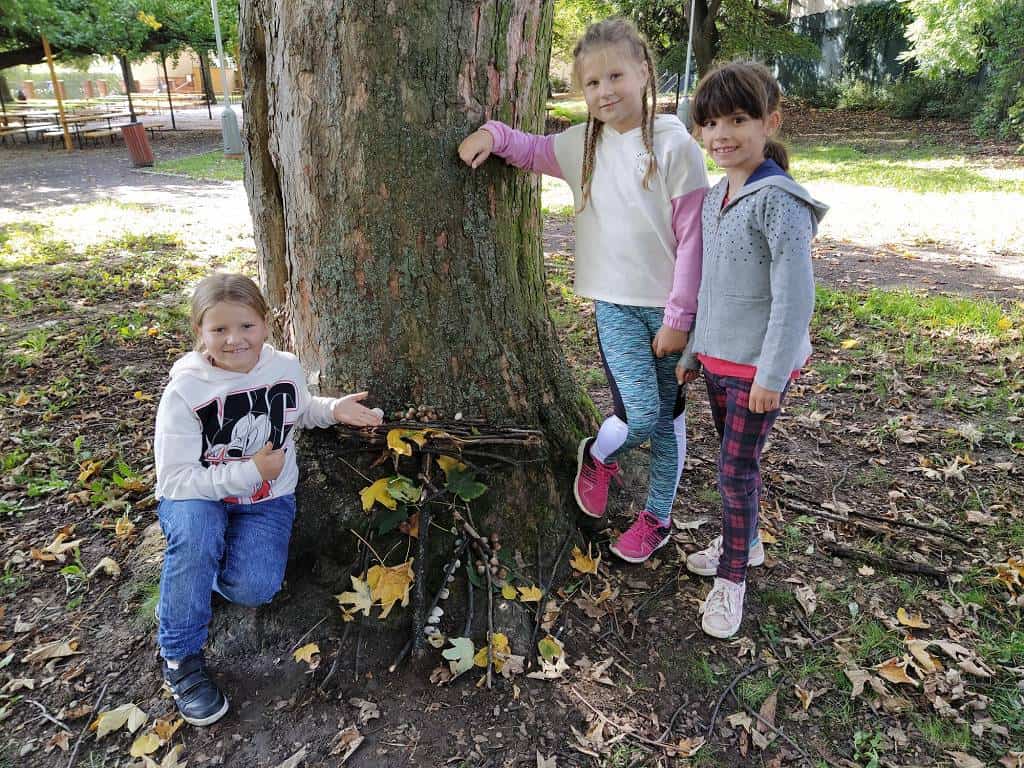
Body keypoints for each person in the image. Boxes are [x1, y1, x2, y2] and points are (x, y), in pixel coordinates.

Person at [458, 18, 708, 563]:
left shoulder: (675, 146)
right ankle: (597, 454)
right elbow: (527, 149)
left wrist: (681, 317)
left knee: (668, 423)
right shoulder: (580, 145)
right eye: (592, 83)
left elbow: (694, 238)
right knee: (640, 415)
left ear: (644, 71)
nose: (604, 91)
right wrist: (490, 135)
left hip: (670, 313)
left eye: (616, 75)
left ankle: (657, 518)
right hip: (614, 307)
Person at [153, 273, 382, 725]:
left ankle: (192, 580)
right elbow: (175, 481)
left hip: (265, 499)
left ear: (266, 324)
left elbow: (296, 410)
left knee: (254, 587)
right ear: (200, 332)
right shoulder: (185, 390)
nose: (234, 340)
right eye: (219, 330)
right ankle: (180, 656)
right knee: (197, 536)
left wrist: (333, 409)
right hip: (198, 499)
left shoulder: (284, 368)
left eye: (246, 327)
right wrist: (248, 472)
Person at [677, 62, 828, 639]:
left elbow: (794, 300)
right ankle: (750, 540)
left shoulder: (780, 203)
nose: (722, 134)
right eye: (711, 122)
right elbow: (713, 287)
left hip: (756, 374)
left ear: (770, 122)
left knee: (734, 471)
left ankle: (733, 576)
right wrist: (694, 349)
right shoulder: (717, 196)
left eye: (738, 119)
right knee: (736, 465)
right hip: (717, 362)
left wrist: (771, 374)